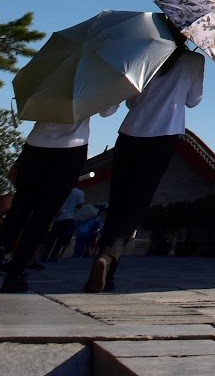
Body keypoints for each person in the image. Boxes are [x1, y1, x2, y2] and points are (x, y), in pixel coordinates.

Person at [87, 41, 206, 292]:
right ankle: (108, 258)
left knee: (117, 201)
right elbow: (194, 100)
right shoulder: (194, 60)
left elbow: (131, 100)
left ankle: (103, 269)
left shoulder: (146, 52)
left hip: (131, 132)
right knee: (137, 203)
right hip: (164, 135)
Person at [0, 114, 109, 293]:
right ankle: (15, 273)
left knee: (19, 207)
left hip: (36, 143)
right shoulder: (88, 92)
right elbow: (107, 110)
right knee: (42, 216)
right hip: (71, 147)